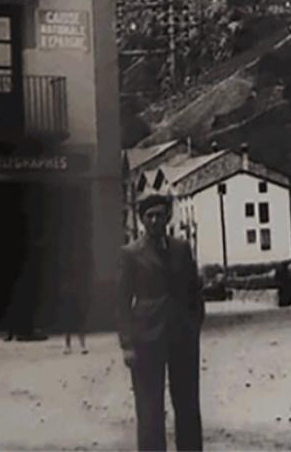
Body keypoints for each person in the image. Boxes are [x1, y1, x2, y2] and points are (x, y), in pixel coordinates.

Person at [118, 194, 205, 452]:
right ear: (142, 219)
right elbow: (121, 303)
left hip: (183, 337)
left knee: (188, 404)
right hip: (146, 338)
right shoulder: (130, 254)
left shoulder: (182, 249)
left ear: (168, 217)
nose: (155, 220)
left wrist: (194, 324)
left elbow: (194, 290)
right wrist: (127, 345)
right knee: (149, 409)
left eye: (160, 214)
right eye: (149, 216)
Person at [60, 263, 89, 354]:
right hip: (69, 301)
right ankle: (68, 346)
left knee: (79, 325)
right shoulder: (65, 279)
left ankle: (82, 345)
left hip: (76, 301)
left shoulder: (79, 279)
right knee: (68, 326)